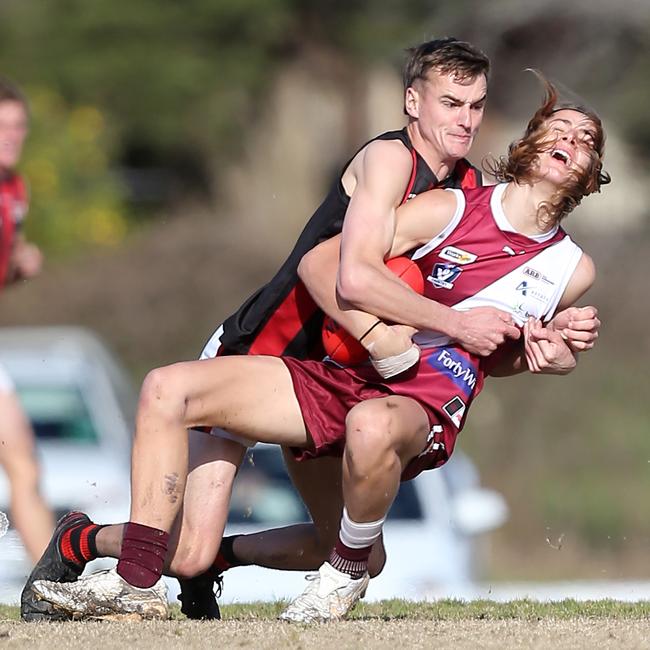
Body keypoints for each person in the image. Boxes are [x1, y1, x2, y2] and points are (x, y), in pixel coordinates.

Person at [21, 39, 600, 622]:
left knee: (310, 553)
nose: (465, 119)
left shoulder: (475, 196)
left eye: (475, 106)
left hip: (347, 373)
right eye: (451, 103)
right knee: (185, 523)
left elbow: (489, 332)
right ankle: (114, 567)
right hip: (271, 349)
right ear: (412, 102)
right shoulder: (392, 161)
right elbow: (340, 271)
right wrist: (392, 338)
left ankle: (174, 558)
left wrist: (538, 346)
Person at [0, 78, 54, 562]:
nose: (12, 135)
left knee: (24, 467)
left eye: (18, 126)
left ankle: (46, 585)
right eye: (2, 127)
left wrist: (16, 268)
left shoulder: (16, 189)